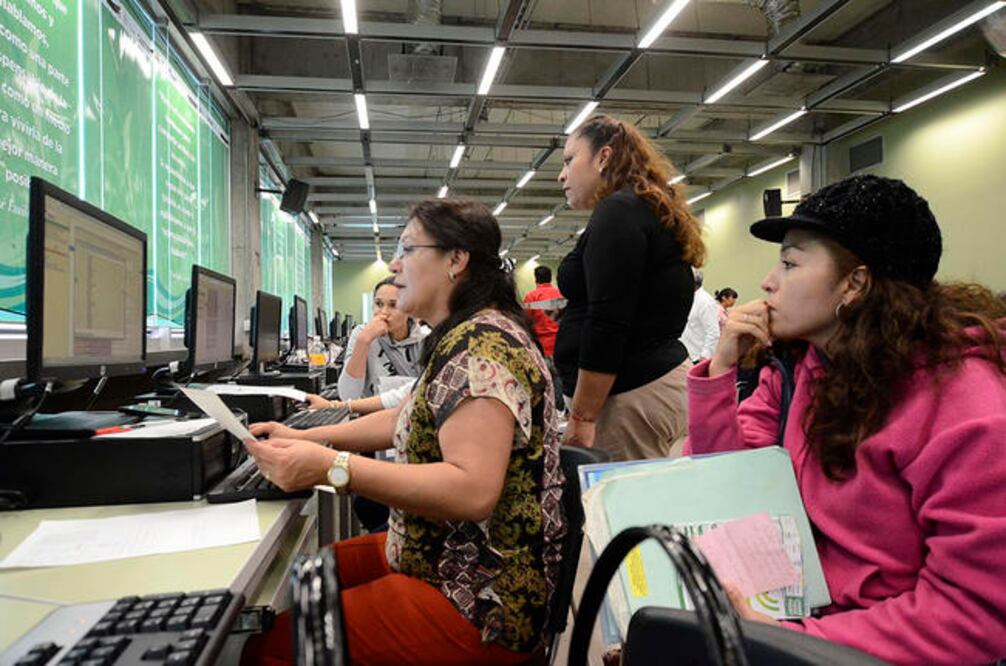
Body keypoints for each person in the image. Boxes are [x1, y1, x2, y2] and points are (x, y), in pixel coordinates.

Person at [685, 174, 1006, 665]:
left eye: (790, 263)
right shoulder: (806, 368)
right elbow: (726, 486)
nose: (769, 281)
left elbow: (973, 612)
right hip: (805, 615)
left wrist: (795, 641)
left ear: (855, 283)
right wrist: (721, 374)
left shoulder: (967, 407)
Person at [242, 198, 565, 665]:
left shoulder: (483, 346)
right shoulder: (461, 334)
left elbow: (472, 490)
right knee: (313, 570)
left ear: (456, 260)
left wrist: (333, 468)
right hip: (448, 552)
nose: (394, 265)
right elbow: (403, 419)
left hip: (483, 594)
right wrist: (306, 439)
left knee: (271, 648)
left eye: (408, 249)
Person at [554, 114, 705, 460]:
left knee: (626, 511)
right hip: (650, 386)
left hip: (630, 396)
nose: (562, 175)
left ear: (603, 157)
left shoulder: (618, 211)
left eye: (569, 160)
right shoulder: (642, 208)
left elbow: (608, 323)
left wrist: (582, 417)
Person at [336, 276, 426, 403]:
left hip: (409, 416)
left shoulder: (425, 340)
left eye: (393, 305)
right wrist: (363, 341)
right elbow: (347, 396)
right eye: (378, 304)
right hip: (371, 416)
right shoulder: (362, 334)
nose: (384, 312)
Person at [680, 269, 721, 362]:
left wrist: (704, 356)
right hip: (686, 356)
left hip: (698, 358)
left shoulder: (706, 302)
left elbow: (713, 333)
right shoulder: (688, 298)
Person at [523, 265, 564, 357]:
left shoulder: (531, 297)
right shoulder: (561, 294)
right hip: (561, 343)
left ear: (536, 279)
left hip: (542, 346)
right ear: (550, 278)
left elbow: (525, 322)